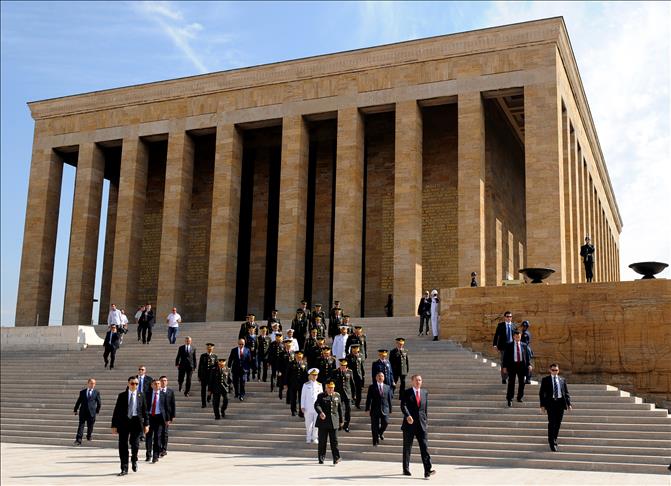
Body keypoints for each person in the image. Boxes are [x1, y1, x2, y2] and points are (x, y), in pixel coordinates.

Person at [111, 376, 149, 476]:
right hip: (124, 422)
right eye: (132, 383)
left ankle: (134, 459)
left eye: (136, 384)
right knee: (122, 445)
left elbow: (145, 411)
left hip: (136, 422)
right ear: (128, 384)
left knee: (135, 444)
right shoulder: (122, 395)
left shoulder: (141, 395)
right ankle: (124, 468)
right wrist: (114, 425)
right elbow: (116, 411)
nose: (134, 385)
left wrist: (146, 424)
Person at [400, 375, 435, 478]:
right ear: (412, 381)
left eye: (420, 380)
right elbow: (403, 405)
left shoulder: (424, 393)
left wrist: (426, 421)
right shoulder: (407, 392)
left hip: (421, 425)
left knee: (424, 447)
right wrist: (408, 415)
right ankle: (406, 468)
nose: (418, 382)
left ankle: (427, 470)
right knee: (407, 447)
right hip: (409, 425)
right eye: (416, 380)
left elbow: (425, 409)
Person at [540, 363, 573, 452]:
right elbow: (542, 393)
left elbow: (566, 393)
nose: (555, 371)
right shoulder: (545, 380)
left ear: (558, 370)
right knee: (552, 423)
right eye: (553, 370)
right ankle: (551, 442)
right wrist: (542, 405)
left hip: (560, 403)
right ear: (550, 370)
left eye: (556, 370)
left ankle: (554, 438)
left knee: (558, 423)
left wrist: (569, 404)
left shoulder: (562, 380)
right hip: (550, 404)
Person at [314, 381, 343, 465]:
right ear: (326, 388)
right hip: (323, 422)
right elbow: (317, 405)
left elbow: (340, 409)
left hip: (334, 422)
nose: (331, 389)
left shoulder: (337, 395)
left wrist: (341, 420)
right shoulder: (321, 396)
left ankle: (336, 458)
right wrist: (320, 412)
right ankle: (321, 458)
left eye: (332, 388)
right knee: (322, 442)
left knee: (334, 441)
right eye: (329, 388)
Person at [502, 331, 532, 406]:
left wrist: (529, 365)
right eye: (516, 336)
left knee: (522, 382)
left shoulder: (524, 345)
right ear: (513, 337)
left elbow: (527, 357)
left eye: (519, 337)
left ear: (520, 337)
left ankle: (519, 397)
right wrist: (504, 367)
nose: (517, 338)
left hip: (522, 366)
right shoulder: (509, 345)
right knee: (511, 383)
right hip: (512, 366)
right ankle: (509, 399)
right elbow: (505, 357)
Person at [365, 372, 393, 446]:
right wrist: (367, 408)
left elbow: (389, 399)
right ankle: (375, 441)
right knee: (374, 426)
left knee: (385, 423)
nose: (380, 377)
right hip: (375, 409)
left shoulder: (387, 387)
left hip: (385, 409)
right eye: (379, 376)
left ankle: (380, 433)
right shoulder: (372, 387)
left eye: (382, 376)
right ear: (376, 378)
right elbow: (369, 398)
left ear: (384, 378)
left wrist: (390, 408)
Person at [145, 379, 169, 463]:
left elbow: (167, 407)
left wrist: (167, 419)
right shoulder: (147, 394)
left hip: (159, 418)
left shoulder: (164, 394)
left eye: (158, 383)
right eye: (155, 384)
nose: (157, 385)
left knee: (157, 437)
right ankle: (148, 454)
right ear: (152, 385)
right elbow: (144, 407)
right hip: (150, 417)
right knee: (148, 436)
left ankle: (155, 456)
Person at [73, 378, 101, 445]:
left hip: (92, 412)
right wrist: (75, 409)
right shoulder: (82, 392)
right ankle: (78, 440)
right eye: (91, 383)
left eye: (94, 383)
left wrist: (97, 410)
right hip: (83, 411)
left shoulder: (96, 392)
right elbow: (78, 401)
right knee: (81, 425)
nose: (92, 385)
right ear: (88, 383)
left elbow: (99, 402)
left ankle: (89, 436)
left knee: (90, 426)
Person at [300, 368, 323, 444]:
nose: (314, 376)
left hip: (317, 408)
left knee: (316, 424)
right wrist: (302, 406)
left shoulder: (319, 385)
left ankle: (315, 437)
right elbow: (303, 396)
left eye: (315, 375)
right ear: (310, 375)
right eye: (313, 375)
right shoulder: (306, 385)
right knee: (308, 424)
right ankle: (308, 437)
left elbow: (321, 397)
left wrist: (322, 407)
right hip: (308, 407)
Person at [492, 311, 515, 384]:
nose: (509, 318)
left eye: (510, 317)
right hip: (503, 347)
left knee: (511, 363)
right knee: (503, 362)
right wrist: (495, 345)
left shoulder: (513, 325)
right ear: (505, 317)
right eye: (507, 316)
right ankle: (504, 378)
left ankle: (509, 377)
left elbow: (516, 336)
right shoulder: (500, 325)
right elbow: (496, 335)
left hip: (511, 347)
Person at [333, 358, 355, 432]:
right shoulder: (335, 372)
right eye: (342, 365)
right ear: (339, 365)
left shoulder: (349, 372)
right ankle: (340, 424)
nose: (343, 367)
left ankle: (346, 425)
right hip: (339, 394)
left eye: (344, 365)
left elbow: (352, 384)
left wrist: (354, 395)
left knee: (348, 410)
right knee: (339, 410)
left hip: (347, 394)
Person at [287, 350, 308, 417]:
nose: (299, 358)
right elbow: (287, 374)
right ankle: (293, 411)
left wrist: (307, 383)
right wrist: (286, 383)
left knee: (301, 398)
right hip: (293, 383)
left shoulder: (305, 364)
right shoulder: (291, 363)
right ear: (295, 356)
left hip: (302, 384)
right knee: (293, 398)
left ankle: (301, 412)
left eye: (300, 357)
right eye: (298, 357)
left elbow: (307, 374)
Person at [158, 376, 175, 457]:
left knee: (165, 433)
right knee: (158, 434)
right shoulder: (156, 391)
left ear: (167, 382)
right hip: (157, 415)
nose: (163, 382)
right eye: (162, 380)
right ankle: (158, 449)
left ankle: (164, 449)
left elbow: (173, 404)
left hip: (166, 417)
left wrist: (172, 416)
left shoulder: (170, 391)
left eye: (165, 380)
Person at [197, 343, 218, 408]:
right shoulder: (203, 356)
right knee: (203, 390)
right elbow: (200, 366)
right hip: (204, 376)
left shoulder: (215, 356)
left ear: (212, 349)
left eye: (210, 348)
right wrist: (199, 375)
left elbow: (216, 367)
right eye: (208, 348)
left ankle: (209, 396)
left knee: (211, 389)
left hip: (211, 376)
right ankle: (203, 403)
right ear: (207, 349)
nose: (209, 349)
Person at [347, 343, 365, 409]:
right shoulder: (348, 357)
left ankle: (358, 403)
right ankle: (352, 399)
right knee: (352, 388)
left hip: (359, 376)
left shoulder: (360, 356)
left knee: (359, 390)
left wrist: (363, 375)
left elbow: (361, 366)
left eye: (356, 349)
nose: (355, 351)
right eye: (353, 349)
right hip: (351, 375)